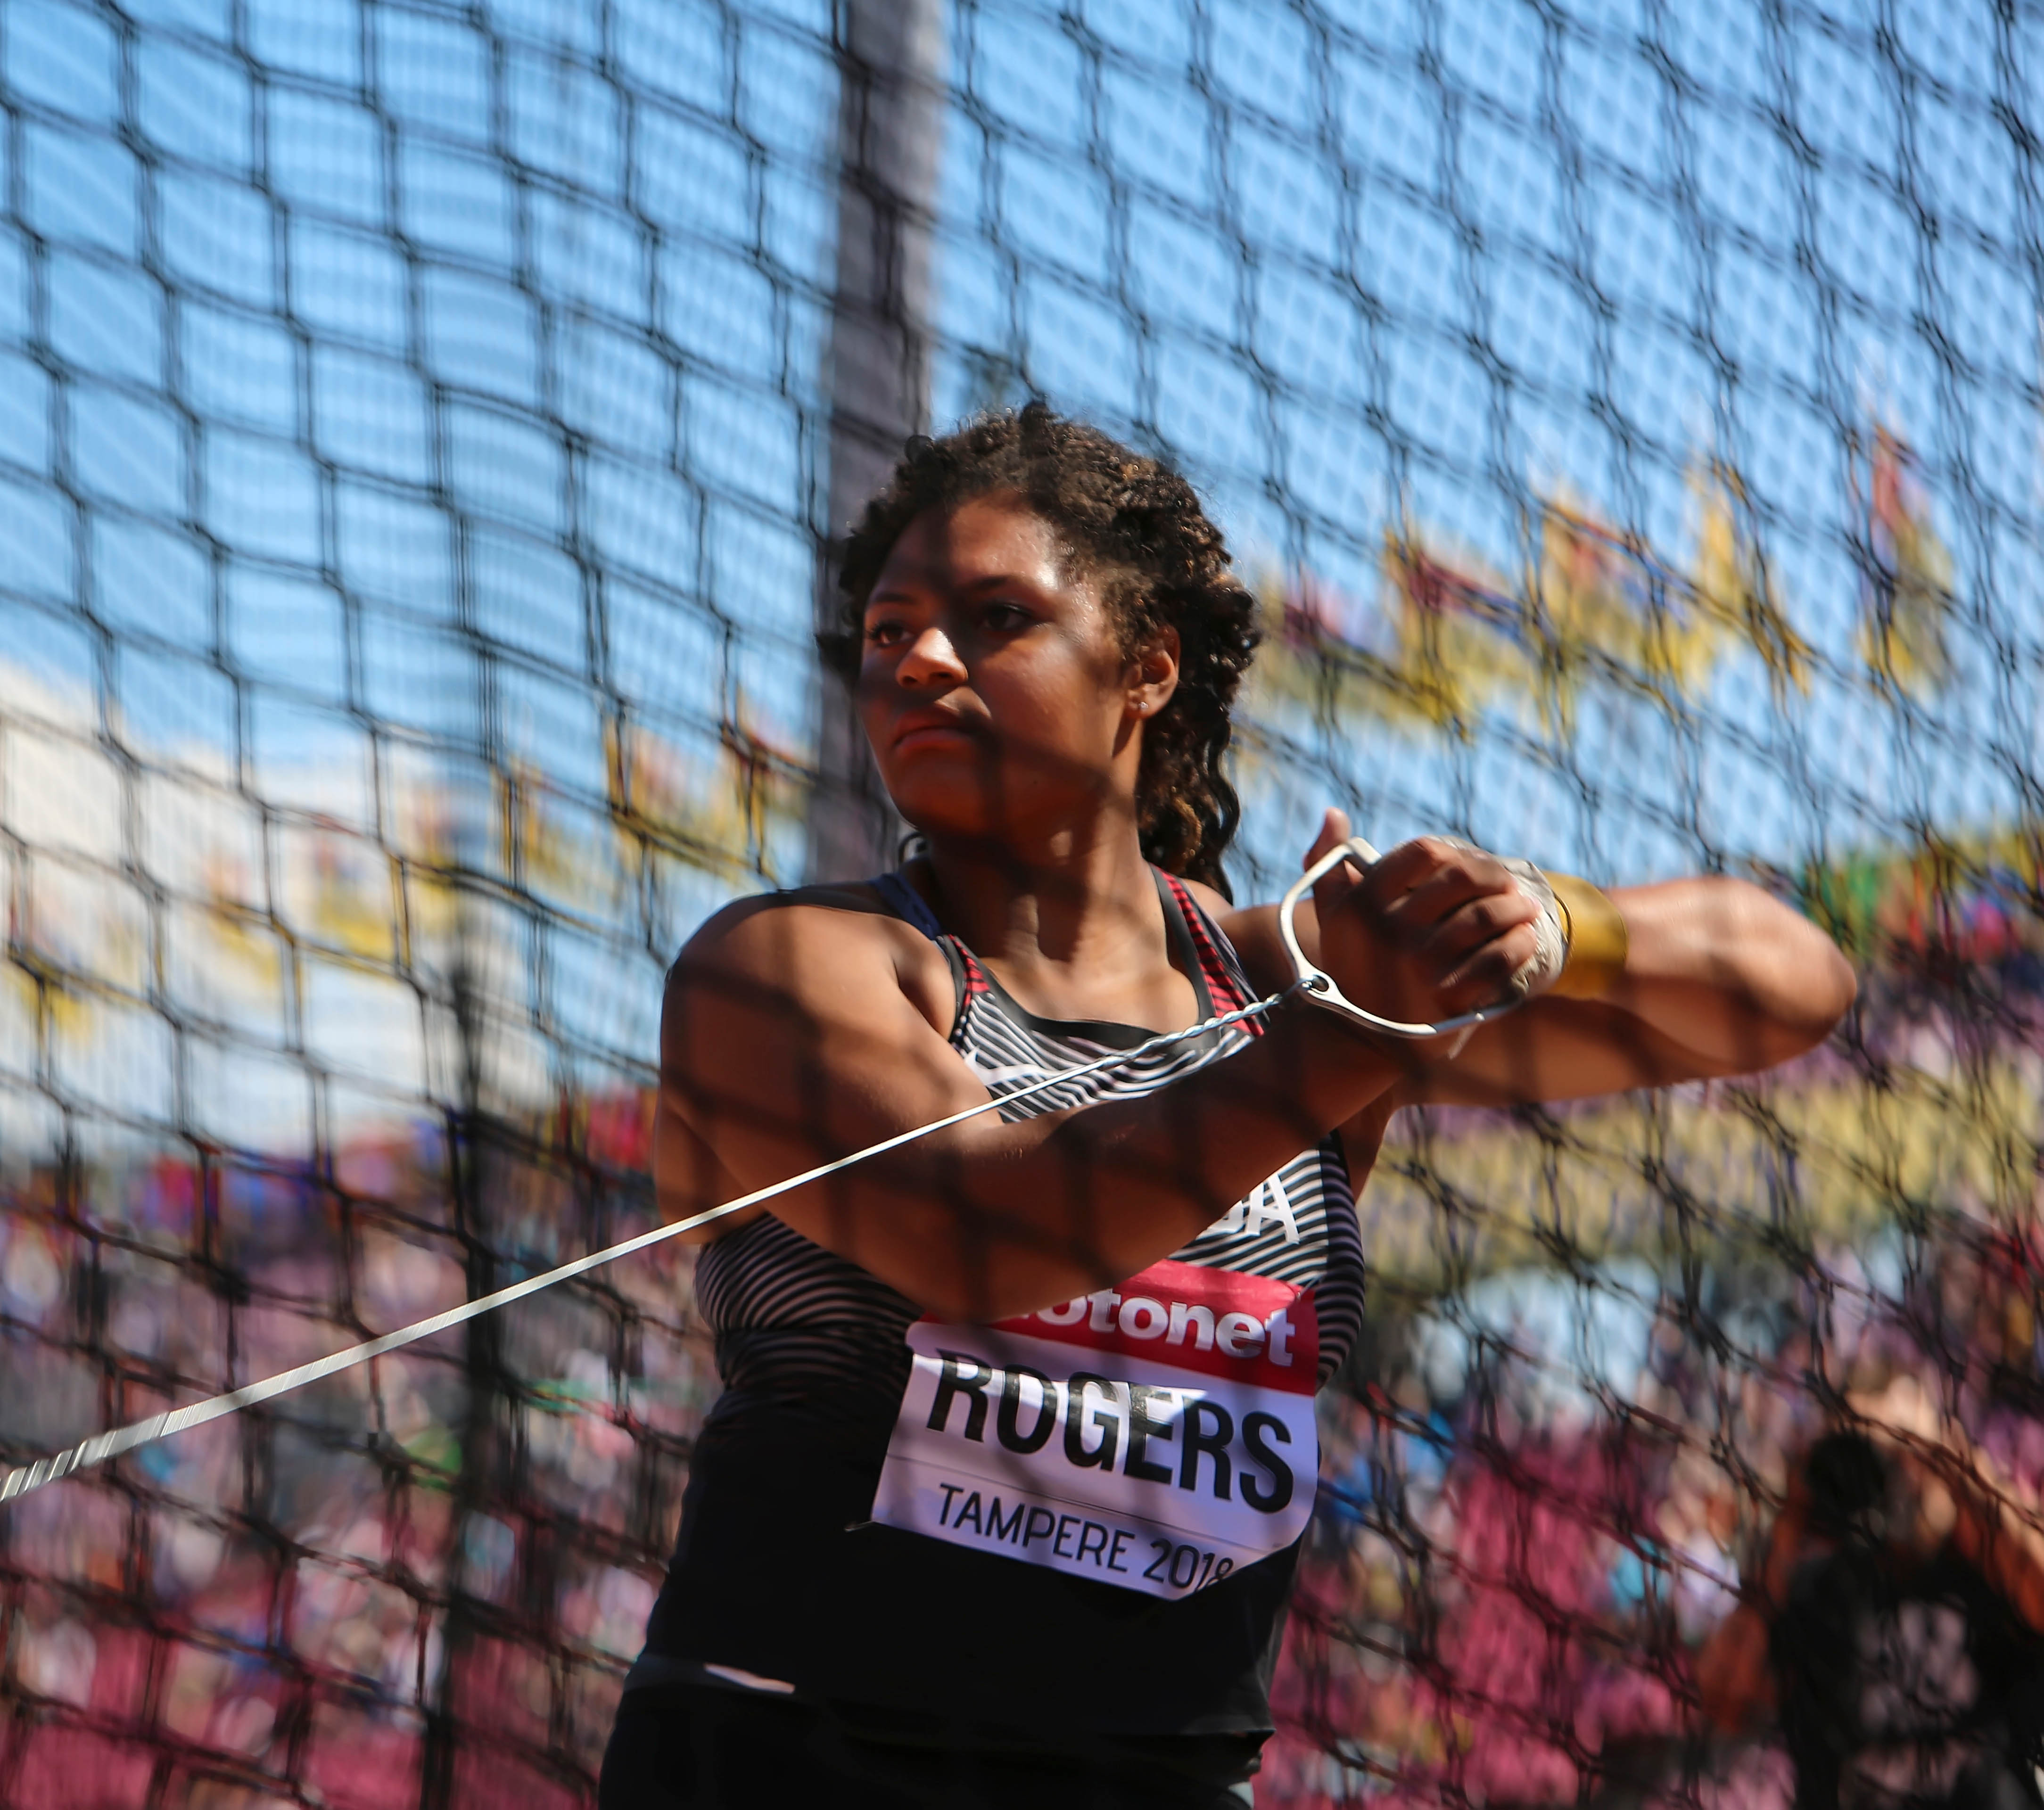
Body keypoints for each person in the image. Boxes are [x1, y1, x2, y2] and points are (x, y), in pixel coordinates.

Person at [597, 405, 1857, 1808]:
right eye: (891, 632)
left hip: (1167, 1774)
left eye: (997, 616)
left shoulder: (1283, 979)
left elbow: (1793, 981)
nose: (922, 659)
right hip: (804, 1758)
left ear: (1146, 668)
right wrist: (1352, 1027)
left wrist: (1549, 922)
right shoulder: (782, 964)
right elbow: (989, 1229)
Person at [1698, 1372, 2044, 1809]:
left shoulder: (1987, 1568)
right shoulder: (1818, 1592)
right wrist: (1793, 1518)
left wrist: (1949, 1460)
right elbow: (1722, 1699)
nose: (1886, 1473)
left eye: (1896, 1449)